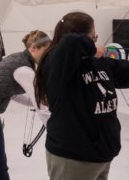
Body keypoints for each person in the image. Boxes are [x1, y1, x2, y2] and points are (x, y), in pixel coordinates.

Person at [34, 12, 129, 180]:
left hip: (101, 156)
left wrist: (92, 51)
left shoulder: (95, 61)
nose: (95, 42)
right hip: (73, 158)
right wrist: (92, 48)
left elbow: (123, 70)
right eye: (93, 37)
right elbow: (70, 42)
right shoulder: (56, 63)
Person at [0, 30, 51, 180]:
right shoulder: (23, 68)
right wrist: (54, 129)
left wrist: (42, 101)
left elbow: (14, 93)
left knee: (0, 167)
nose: (47, 56)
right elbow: (40, 103)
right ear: (33, 48)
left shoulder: (20, 60)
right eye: (46, 51)